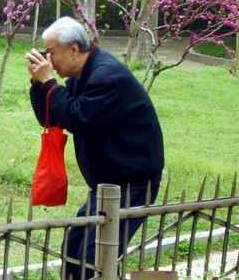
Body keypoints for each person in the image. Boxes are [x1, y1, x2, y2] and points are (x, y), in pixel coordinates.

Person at [25, 17, 164, 278]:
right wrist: (39, 84)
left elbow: (78, 118)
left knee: (96, 257)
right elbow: (53, 118)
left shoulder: (106, 76)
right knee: (74, 250)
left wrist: (50, 84)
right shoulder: (82, 75)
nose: (48, 60)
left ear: (74, 49)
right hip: (107, 186)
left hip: (131, 185)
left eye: (51, 53)